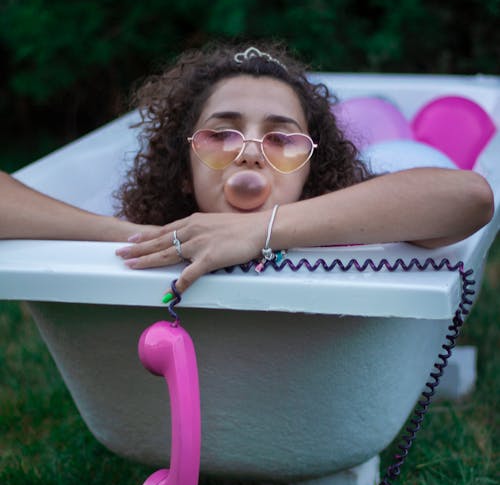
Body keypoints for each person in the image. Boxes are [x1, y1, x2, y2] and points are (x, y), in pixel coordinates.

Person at [0, 43, 493, 296]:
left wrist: (263, 230)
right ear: (181, 167)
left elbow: (470, 196)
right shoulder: (161, 232)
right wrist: (142, 237)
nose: (252, 152)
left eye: (281, 138)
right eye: (222, 133)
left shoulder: (352, 233)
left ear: (310, 171)